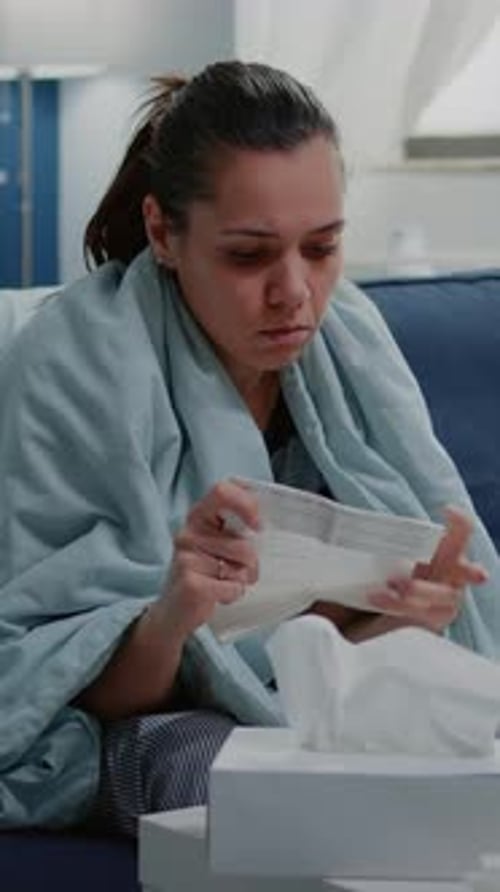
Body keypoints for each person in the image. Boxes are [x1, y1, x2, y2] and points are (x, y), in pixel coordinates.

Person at [0, 60, 499, 836]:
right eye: (248, 255)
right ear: (164, 231)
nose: (295, 293)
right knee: (225, 779)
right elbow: (63, 679)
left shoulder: (352, 348)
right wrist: (174, 613)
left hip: (322, 706)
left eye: (323, 247)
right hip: (147, 722)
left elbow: (324, 659)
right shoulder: (73, 365)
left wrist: (415, 616)